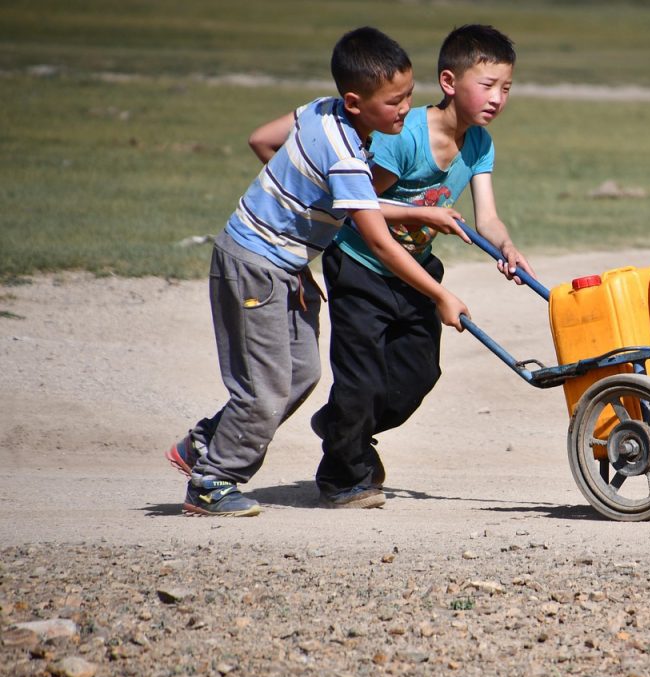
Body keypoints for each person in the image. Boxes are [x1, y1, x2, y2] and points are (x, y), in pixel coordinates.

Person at [164, 27, 471, 517]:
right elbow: (377, 240)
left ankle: (204, 442)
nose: (405, 109)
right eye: (394, 101)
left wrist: (297, 240)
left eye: (409, 94)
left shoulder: (317, 110)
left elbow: (261, 140)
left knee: (302, 374)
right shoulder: (348, 156)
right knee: (263, 389)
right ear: (355, 101)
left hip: (281, 263)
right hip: (253, 266)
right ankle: (213, 480)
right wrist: (441, 294)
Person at [247, 24, 533, 510]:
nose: (498, 98)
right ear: (449, 82)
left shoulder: (480, 144)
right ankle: (343, 476)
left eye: (506, 87)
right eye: (487, 85)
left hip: (415, 271)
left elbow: (487, 218)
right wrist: (420, 215)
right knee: (361, 382)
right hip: (361, 266)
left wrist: (506, 246)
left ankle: (342, 426)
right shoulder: (404, 139)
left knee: (416, 377)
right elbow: (363, 205)